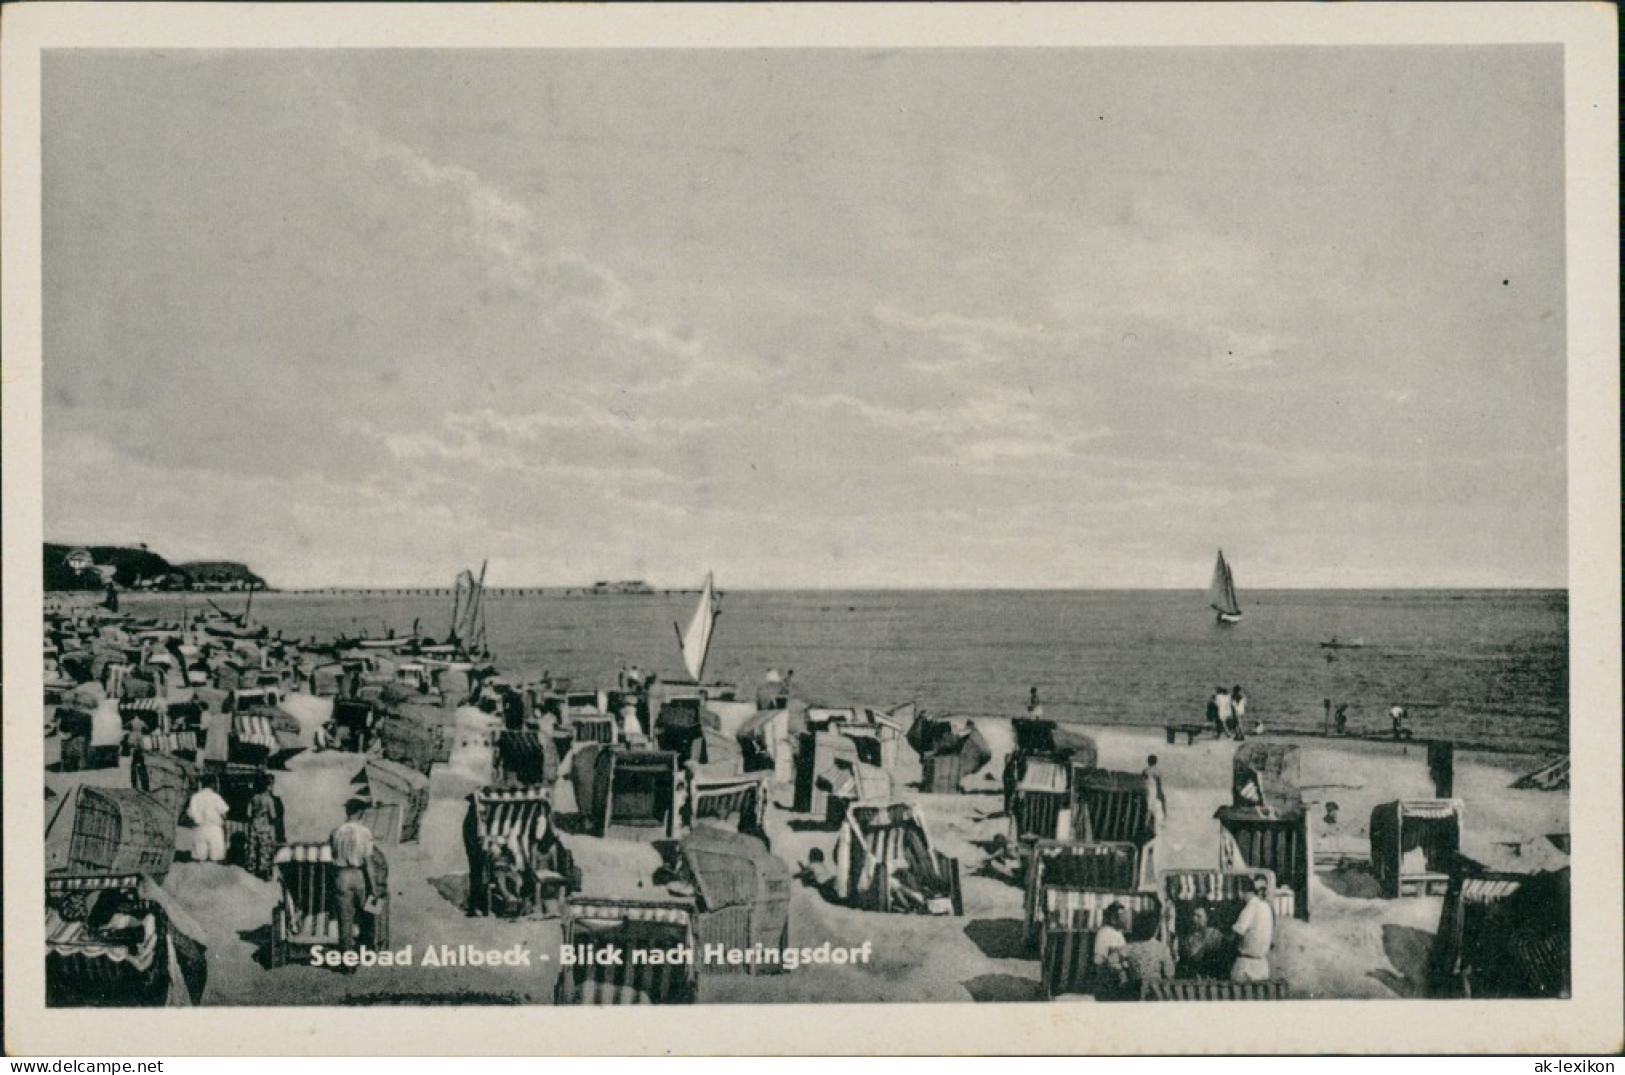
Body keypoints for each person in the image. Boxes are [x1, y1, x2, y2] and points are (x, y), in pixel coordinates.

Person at [329, 801, 377, 962]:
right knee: (367, 914)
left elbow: (331, 856)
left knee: (345, 919)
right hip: (359, 876)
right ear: (360, 813)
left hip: (341, 876)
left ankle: (347, 961)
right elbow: (368, 862)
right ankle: (366, 951)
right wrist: (374, 887)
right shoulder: (364, 832)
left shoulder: (335, 831)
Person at [1230, 877, 1275, 981]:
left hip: (1246, 965)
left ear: (1240, 892)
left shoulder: (1250, 908)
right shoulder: (1266, 907)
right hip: (1262, 965)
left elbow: (1236, 933)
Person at [246, 774, 284, 880]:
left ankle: (251, 870)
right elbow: (273, 815)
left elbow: (248, 814)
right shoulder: (268, 799)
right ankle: (264, 873)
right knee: (265, 850)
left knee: (252, 849)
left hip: (254, 826)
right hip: (265, 826)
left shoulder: (253, 798)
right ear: (267, 786)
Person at [1177, 905, 1228, 978]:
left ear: (1207, 918)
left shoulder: (1216, 936)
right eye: (1194, 915)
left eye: (1199, 916)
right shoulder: (1189, 938)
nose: (1194, 919)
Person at [186, 781, 231, 863]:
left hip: (199, 828)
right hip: (214, 828)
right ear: (212, 785)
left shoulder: (195, 797)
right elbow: (224, 812)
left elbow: (190, 813)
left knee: (199, 858)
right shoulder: (215, 797)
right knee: (215, 858)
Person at [1092, 902, 1130, 993]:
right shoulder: (1105, 932)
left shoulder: (1118, 932)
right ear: (1113, 918)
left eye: (1125, 915)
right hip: (1109, 978)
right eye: (1121, 915)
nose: (1125, 918)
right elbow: (1098, 960)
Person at [1142, 754, 1169, 834]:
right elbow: (1158, 784)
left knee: (1148, 809)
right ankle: (1164, 817)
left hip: (1147, 790)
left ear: (1148, 761)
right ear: (1156, 762)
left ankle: (1146, 824)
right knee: (1162, 802)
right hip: (1154, 790)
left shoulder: (1145, 771)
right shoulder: (1157, 772)